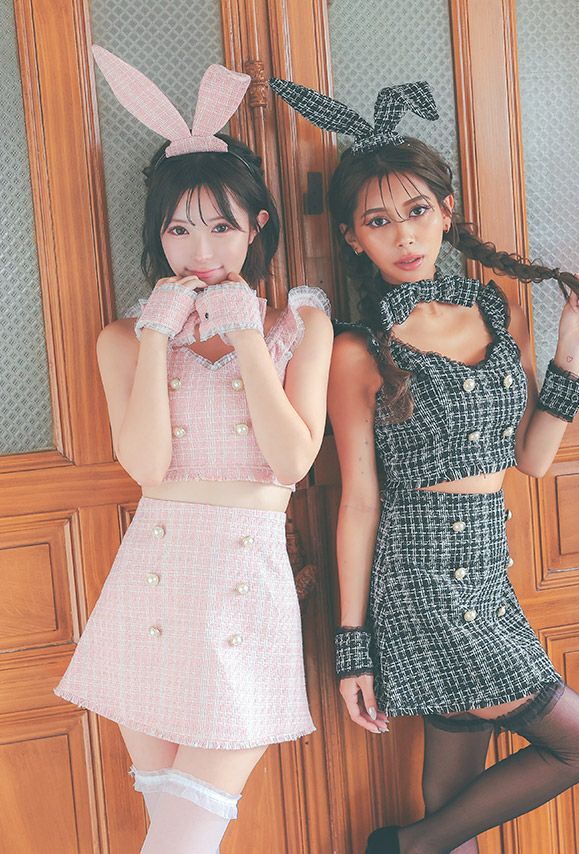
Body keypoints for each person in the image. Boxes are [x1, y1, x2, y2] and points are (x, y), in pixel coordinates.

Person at [269, 77, 579, 854]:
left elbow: (530, 458)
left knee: (452, 796)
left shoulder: (498, 310)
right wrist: (352, 647)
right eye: (378, 221)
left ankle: (419, 847)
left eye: (418, 210)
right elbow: (359, 501)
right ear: (353, 237)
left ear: (446, 211)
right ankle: (402, 848)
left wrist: (571, 352)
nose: (404, 235)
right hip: (421, 581)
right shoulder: (357, 349)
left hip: (488, 570)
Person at [55, 48, 333, 853]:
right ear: (159, 234)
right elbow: (147, 468)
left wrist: (246, 335)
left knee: (184, 837)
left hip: (246, 593)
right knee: (176, 836)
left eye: (220, 225)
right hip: (151, 590)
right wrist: (155, 337)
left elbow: (293, 463)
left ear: (257, 225)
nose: (199, 249)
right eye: (179, 228)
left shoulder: (300, 326)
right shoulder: (124, 339)